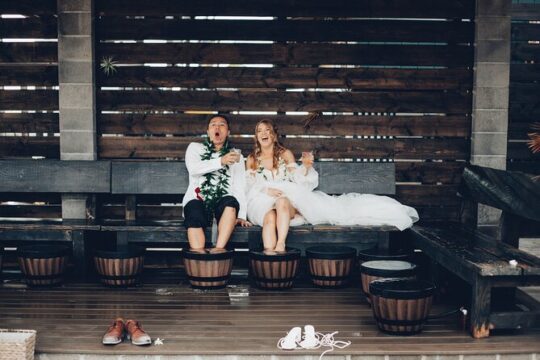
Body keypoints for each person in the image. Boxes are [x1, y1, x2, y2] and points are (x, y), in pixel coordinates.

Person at [245, 119, 419, 252]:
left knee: (282, 201)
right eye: (259, 131)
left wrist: (306, 168)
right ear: (256, 136)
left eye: (268, 130)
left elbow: (298, 180)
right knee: (270, 218)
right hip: (262, 200)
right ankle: (270, 261)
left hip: (285, 198)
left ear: (274, 135)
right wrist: (266, 189)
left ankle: (280, 246)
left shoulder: (285, 154)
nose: (264, 133)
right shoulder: (252, 158)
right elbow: (249, 185)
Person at [182, 115, 252, 252]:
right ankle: (199, 257)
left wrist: (241, 215)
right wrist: (221, 161)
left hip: (222, 206)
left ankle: (218, 251)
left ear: (228, 132)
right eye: (213, 124)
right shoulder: (195, 148)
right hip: (198, 200)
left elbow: (239, 185)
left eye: (222, 124)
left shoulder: (235, 155)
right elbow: (194, 169)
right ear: (208, 132)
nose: (217, 127)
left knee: (231, 202)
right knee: (193, 210)